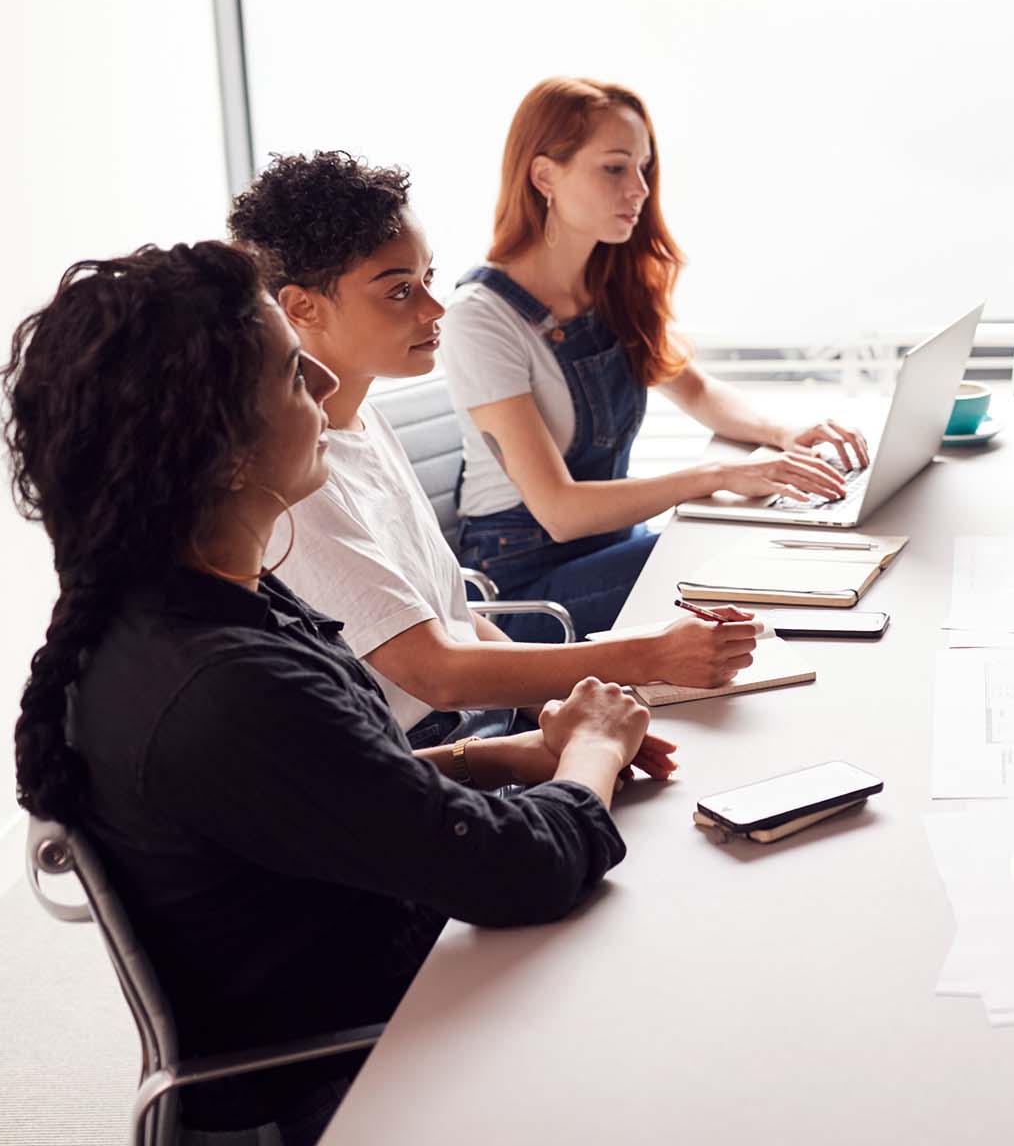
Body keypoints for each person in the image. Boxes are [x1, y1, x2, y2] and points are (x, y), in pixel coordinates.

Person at [0, 242, 674, 1142]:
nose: (321, 378)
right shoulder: (223, 687)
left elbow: (331, 782)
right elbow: (517, 872)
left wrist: (504, 756)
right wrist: (592, 748)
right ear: (222, 452)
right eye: (288, 371)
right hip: (357, 1070)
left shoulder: (183, 603)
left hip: (385, 985)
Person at [228, 151, 760, 746]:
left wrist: (561, 709)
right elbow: (436, 674)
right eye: (400, 292)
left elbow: (458, 618)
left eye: (428, 279)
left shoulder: (365, 422)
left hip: (485, 725)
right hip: (431, 756)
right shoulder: (296, 478)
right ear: (302, 307)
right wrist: (647, 658)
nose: (435, 310)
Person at [442, 77, 869, 636]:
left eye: (643, 168)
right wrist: (718, 474)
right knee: (732, 552)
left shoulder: (606, 282)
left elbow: (695, 390)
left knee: (760, 538)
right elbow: (560, 511)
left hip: (612, 551)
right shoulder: (480, 317)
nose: (639, 189)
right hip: (526, 595)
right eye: (615, 168)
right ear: (545, 175)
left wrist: (785, 434)